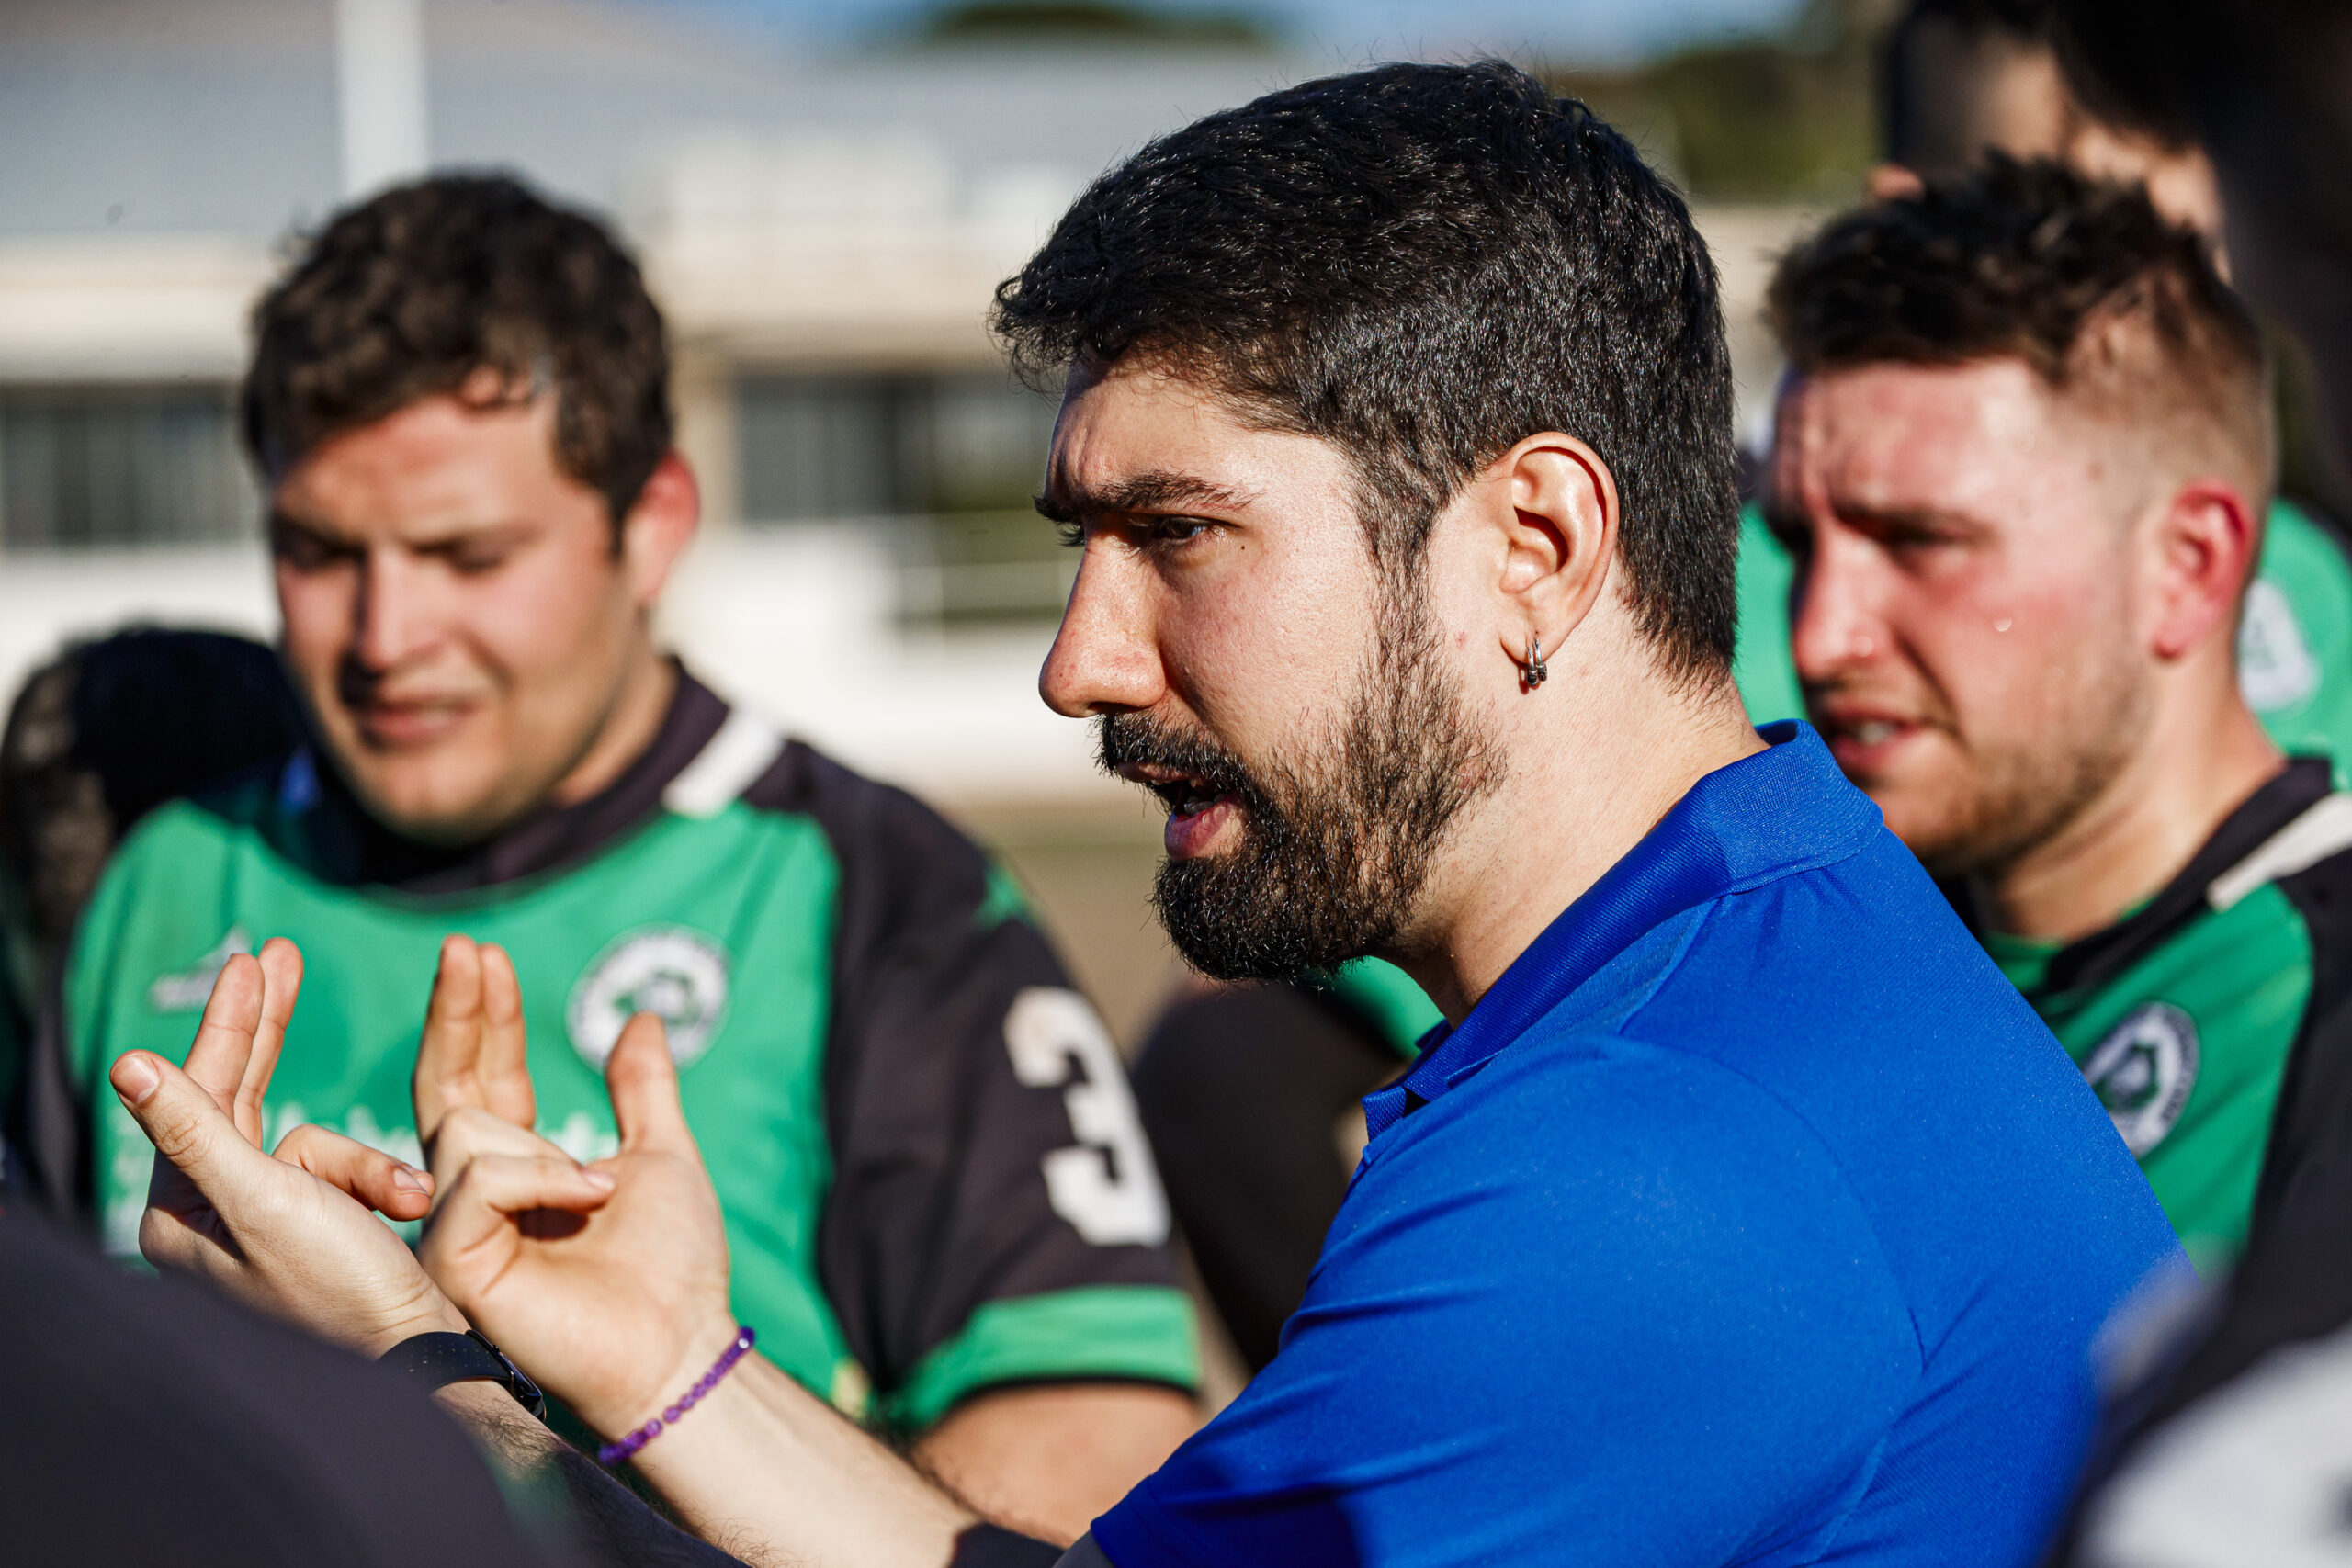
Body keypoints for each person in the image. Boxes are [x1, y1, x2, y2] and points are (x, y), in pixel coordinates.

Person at [103, 62, 2182, 1568]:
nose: (1081, 657)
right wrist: (654, 1361)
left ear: (1531, 540)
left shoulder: (1655, 1163)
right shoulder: (1750, 940)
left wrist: (403, 1383)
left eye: (1176, 532)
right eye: (1075, 540)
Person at [10, 173, 1196, 1541]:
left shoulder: (875, 891)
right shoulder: (161, 868)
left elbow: (1092, 1479)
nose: (388, 634)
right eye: (321, 551)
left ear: (653, 526)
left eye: (469, 553)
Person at [1763, 156, 2352, 1272]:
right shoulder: (1824, 1000)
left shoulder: (2316, 1013)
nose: (1820, 635)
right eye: (1798, 544)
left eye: (1921, 540)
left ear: (2186, 567)